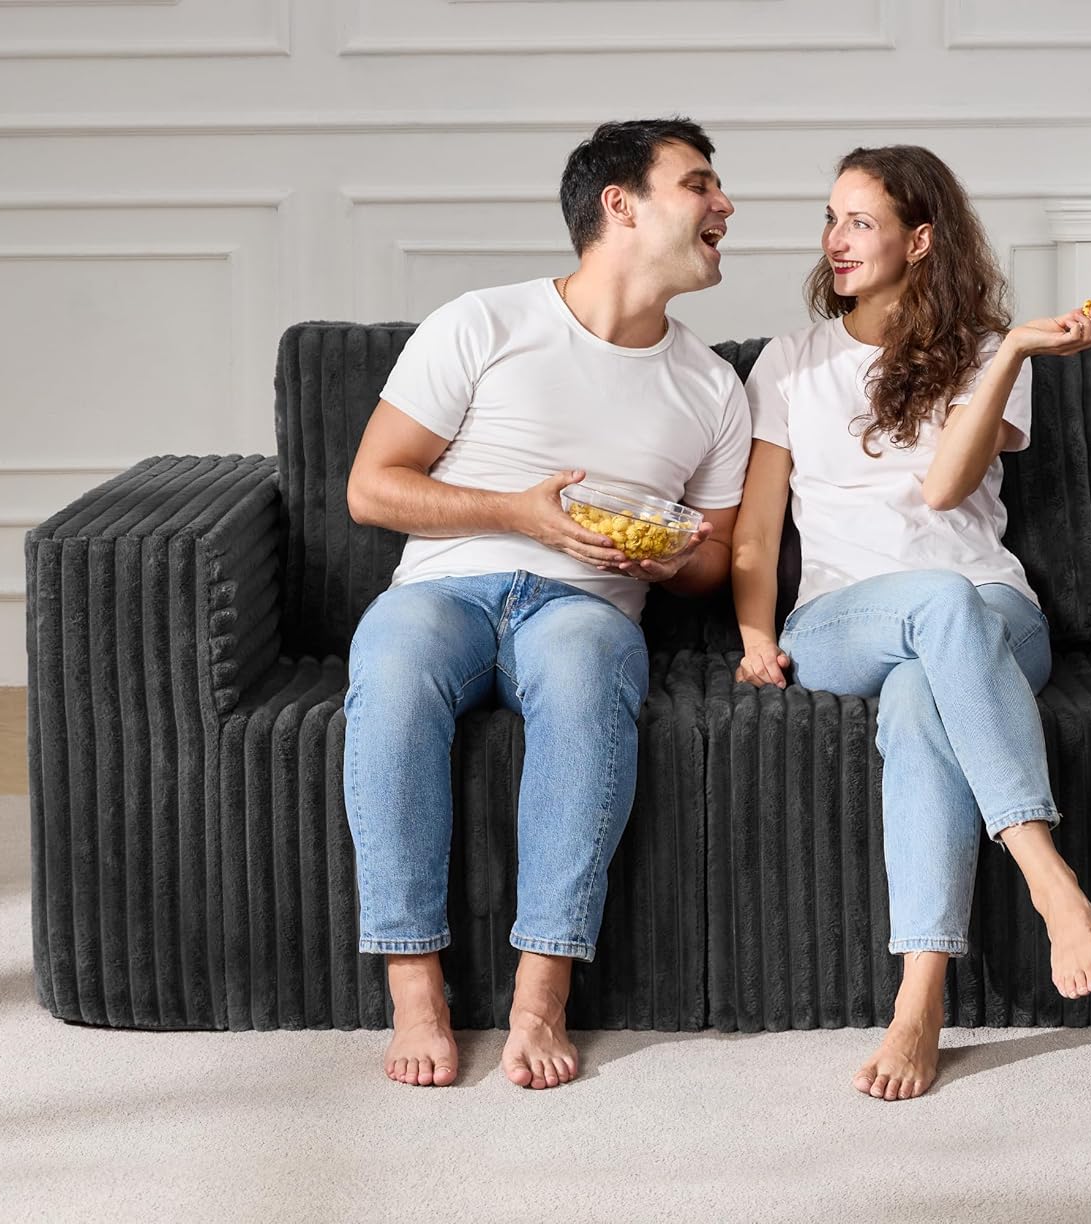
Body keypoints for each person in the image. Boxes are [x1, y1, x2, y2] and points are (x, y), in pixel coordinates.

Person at [344, 118, 748, 1090]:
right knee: (392, 666)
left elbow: (715, 561)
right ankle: (414, 987)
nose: (725, 205)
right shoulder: (483, 322)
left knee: (582, 674)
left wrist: (671, 562)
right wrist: (515, 513)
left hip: (586, 606)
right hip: (444, 586)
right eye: (699, 185)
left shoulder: (711, 387)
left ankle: (542, 992)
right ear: (622, 204)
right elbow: (372, 487)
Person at [731, 145, 1091, 1102]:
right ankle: (1046, 873)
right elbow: (758, 528)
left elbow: (945, 490)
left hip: (991, 612)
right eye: (832, 219)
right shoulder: (790, 362)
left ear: (920, 239)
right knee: (934, 604)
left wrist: (1013, 350)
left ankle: (920, 1001)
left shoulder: (988, 354)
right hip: (841, 619)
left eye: (861, 221)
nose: (836, 239)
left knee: (919, 696)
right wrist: (753, 636)